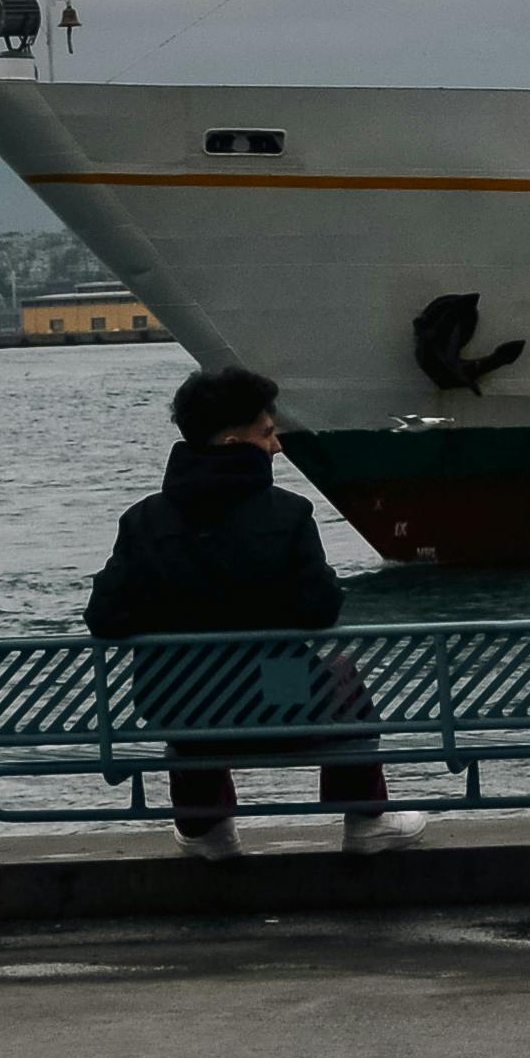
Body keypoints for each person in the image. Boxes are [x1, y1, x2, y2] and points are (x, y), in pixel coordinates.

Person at [87, 366, 424, 863]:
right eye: (267, 434)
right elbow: (320, 610)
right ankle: (366, 818)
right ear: (231, 442)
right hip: (278, 700)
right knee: (338, 670)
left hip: (181, 710)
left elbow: (105, 617)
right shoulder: (288, 514)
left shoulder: (143, 522)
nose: (278, 446)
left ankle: (207, 831)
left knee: (186, 684)